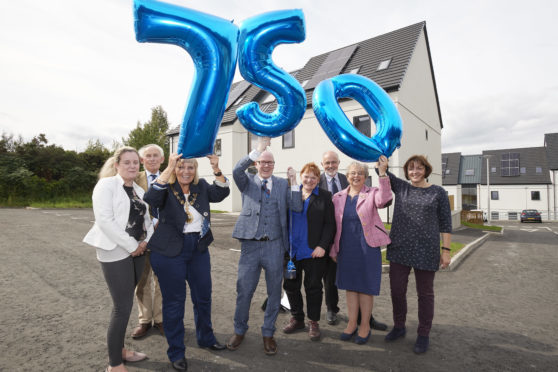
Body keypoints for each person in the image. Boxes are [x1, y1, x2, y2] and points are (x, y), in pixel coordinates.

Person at [143, 153, 230, 372]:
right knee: (174, 303)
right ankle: (176, 352)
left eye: (190, 168)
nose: (186, 172)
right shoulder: (165, 187)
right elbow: (151, 199)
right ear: (174, 168)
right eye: (181, 167)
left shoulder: (200, 187)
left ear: (195, 170)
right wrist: (168, 167)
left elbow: (222, 192)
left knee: (203, 297)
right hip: (169, 251)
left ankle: (206, 338)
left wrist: (216, 167)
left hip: (198, 247)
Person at [226, 137, 302, 356]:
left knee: (274, 292)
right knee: (244, 292)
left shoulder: (280, 184)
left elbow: (296, 206)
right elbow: (235, 170)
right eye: (262, 161)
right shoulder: (247, 181)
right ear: (256, 164)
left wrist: (294, 181)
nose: (266, 165)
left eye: (270, 162)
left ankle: (268, 333)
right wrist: (257, 150)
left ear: (273, 165)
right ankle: (239, 330)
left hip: (275, 247)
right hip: (250, 246)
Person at [83, 146, 153, 372]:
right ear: (117, 165)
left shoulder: (140, 191)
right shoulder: (106, 186)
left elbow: (148, 221)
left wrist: (144, 243)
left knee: (126, 304)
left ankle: (120, 350)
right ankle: (114, 364)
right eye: (127, 162)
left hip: (138, 252)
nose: (133, 166)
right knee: (121, 307)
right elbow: (105, 220)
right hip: (115, 252)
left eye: (135, 162)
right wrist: (133, 245)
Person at [382, 155, 452, 354]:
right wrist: (381, 157)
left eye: (419, 168)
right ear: (407, 171)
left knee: (425, 294)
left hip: (426, 250)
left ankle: (423, 334)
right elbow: (383, 170)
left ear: (426, 170)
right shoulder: (402, 187)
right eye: (411, 168)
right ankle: (399, 326)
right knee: (397, 291)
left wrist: (445, 251)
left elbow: (446, 224)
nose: (415, 172)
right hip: (400, 248)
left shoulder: (438, 192)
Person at [319, 150, 388, 332]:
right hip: (342, 244)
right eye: (352, 173)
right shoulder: (333, 194)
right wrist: (331, 247)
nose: (355, 176)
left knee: (365, 285)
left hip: (366, 245)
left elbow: (384, 199)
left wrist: (382, 173)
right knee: (344, 284)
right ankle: (343, 317)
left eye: (359, 173)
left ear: (365, 176)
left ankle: (365, 322)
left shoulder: (370, 192)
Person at [282, 162, 336, 341]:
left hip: (314, 252)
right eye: (307, 176)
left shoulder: (325, 196)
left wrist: (322, 246)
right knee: (290, 286)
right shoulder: (292, 193)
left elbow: (330, 224)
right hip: (292, 251)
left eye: (314, 177)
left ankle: (313, 322)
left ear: (318, 180)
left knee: (313, 287)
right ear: (301, 176)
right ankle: (297, 318)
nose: (310, 180)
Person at [132, 144, 165, 338]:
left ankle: (160, 319)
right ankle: (144, 320)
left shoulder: (170, 177)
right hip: (140, 239)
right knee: (141, 281)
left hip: (164, 239)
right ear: (142, 160)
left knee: (162, 282)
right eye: (148, 156)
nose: (152, 159)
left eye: (155, 156)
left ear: (162, 159)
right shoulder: (133, 179)